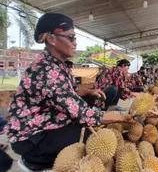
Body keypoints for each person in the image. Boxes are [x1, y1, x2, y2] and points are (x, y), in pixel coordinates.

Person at [3, 13, 135, 171]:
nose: (75, 43)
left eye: (75, 38)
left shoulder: (59, 64)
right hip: (32, 137)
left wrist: (88, 91)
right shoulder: (47, 70)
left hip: (49, 119)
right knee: (90, 137)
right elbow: (83, 113)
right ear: (51, 39)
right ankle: (35, 161)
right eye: (71, 37)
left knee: (94, 115)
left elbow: (70, 90)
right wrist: (120, 117)